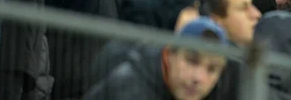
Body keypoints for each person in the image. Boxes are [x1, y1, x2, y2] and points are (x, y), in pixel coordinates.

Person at [84, 17, 228, 100]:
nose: (199, 78)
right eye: (191, 61)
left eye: (212, 69)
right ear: (169, 54)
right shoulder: (129, 90)